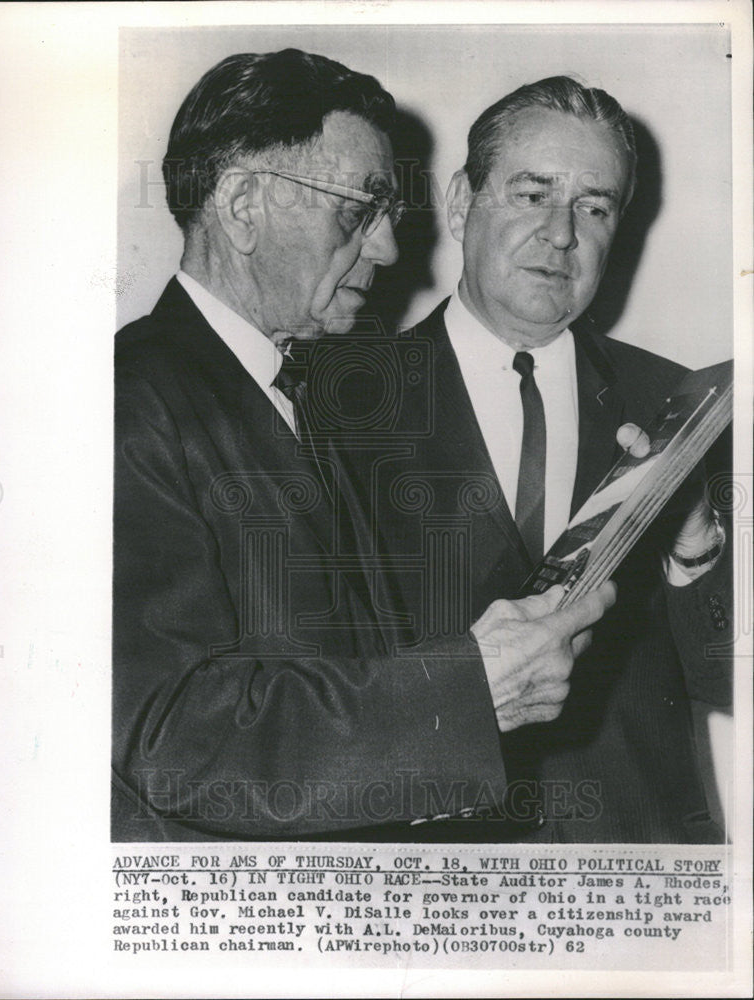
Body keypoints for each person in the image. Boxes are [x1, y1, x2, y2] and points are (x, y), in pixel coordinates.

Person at [112, 52, 615, 842]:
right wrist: (465, 693)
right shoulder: (130, 399)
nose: (384, 249)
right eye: (358, 210)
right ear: (243, 205)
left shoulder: (301, 395)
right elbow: (170, 736)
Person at [335, 76, 732, 843]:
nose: (561, 233)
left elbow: (727, 675)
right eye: (531, 194)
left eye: (594, 206)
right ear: (459, 201)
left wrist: (695, 545)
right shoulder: (337, 404)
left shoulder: (680, 404)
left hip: (632, 877)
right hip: (430, 887)